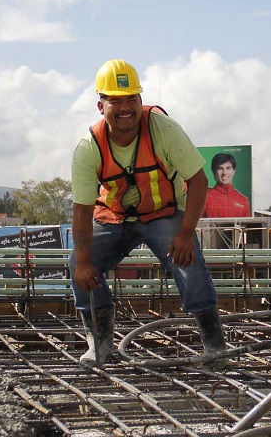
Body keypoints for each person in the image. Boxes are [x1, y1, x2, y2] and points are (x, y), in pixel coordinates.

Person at [69, 59, 226, 370]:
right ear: (101, 106)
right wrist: (85, 261)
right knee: (79, 262)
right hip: (114, 216)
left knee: (188, 259)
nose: (125, 107)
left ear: (140, 100)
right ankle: (99, 340)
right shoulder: (90, 147)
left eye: (131, 99)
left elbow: (198, 180)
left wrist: (184, 234)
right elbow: (82, 210)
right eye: (116, 101)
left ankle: (214, 343)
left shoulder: (163, 129)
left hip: (163, 213)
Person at [203, 153, 251, 218]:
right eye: (220, 168)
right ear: (214, 172)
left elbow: (246, 227)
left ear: (234, 172)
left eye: (228, 168)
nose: (224, 173)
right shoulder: (204, 197)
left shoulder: (243, 200)